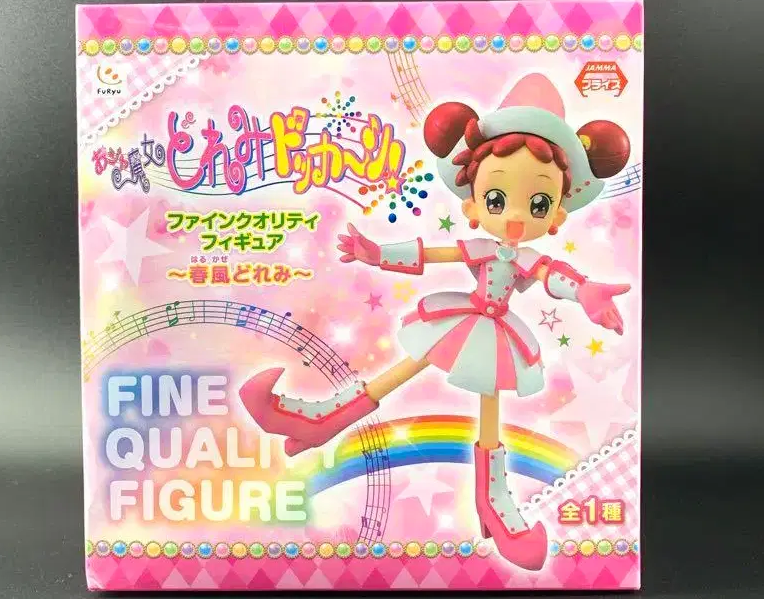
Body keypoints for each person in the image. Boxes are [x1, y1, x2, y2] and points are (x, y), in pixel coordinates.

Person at [239, 73, 632, 571]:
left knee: (488, 410)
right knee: (403, 370)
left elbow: (554, 275)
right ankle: (318, 421)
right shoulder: (481, 247)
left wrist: (587, 291)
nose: (515, 216)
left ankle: (492, 500)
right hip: (462, 319)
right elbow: (431, 253)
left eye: (537, 203)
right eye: (497, 199)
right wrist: (376, 253)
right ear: (474, 202)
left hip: (496, 335)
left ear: (555, 212)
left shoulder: (526, 257)